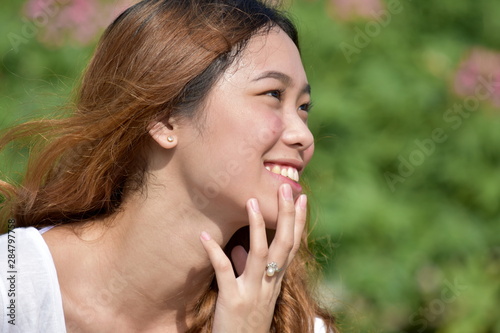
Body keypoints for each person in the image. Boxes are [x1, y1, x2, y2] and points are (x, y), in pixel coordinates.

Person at [0, 0, 337, 332]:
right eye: (274, 95)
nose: (303, 135)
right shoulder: (12, 287)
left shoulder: (295, 325)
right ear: (164, 119)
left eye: (304, 107)